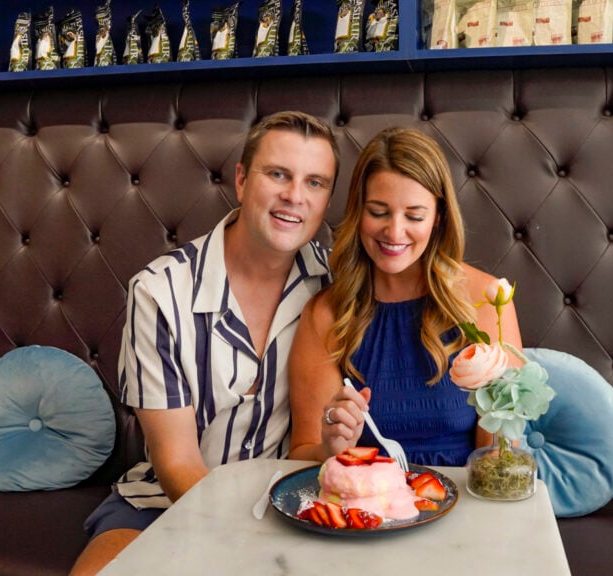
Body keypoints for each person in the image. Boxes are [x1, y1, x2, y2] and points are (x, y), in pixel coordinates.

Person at [70, 111, 340, 575]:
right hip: (162, 502)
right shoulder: (159, 291)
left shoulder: (336, 285)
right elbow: (176, 464)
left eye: (314, 183)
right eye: (278, 174)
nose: (295, 196)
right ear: (242, 180)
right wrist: (242, 546)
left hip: (295, 509)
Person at [287, 127, 523, 467]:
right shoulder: (326, 313)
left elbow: (500, 455)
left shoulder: (486, 300)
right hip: (365, 497)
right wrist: (329, 449)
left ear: (438, 217)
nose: (395, 232)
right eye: (378, 212)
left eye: (414, 215)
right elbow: (302, 452)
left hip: (465, 493)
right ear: (358, 211)